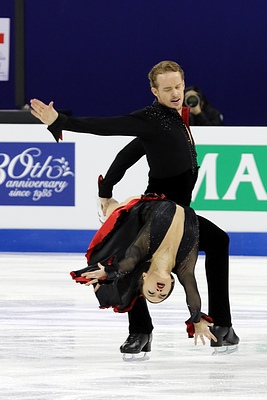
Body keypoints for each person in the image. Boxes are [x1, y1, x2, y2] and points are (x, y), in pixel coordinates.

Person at [30, 60, 239, 354]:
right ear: (154, 91)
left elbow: (130, 152)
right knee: (135, 260)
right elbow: (108, 127)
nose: (176, 93)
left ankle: (221, 324)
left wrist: (106, 188)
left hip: (180, 214)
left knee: (219, 241)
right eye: (167, 89)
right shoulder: (152, 118)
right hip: (157, 209)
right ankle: (140, 331)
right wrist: (61, 121)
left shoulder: (177, 117)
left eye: (178, 86)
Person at [70, 193, 217, 350]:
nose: (158, 291)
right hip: (180, 205)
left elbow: (130, 262)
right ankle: (107, 207)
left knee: (119, 213)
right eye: (162, 295)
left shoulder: (143, 249)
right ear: (171, 283)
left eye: (151, 293)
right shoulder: (183, 267)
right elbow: (191, 291)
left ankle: (106, 205)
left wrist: (108, 272)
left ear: (144, 277)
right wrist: (196, 318)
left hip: (142, 212)